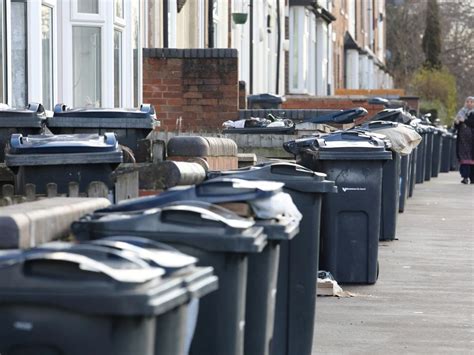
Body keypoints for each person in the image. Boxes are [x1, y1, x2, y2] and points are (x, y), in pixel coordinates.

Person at [454, 96, 474, 184]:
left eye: (471, 102)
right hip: (462, 139)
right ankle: (465, 176)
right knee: (463, 158)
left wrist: (464, 120)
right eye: (467, 101)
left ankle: (472, 177)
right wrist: (457, 122)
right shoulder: (461, 112)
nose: (469, 103)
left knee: (472, 158)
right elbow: (456, 126)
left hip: (472, 140)